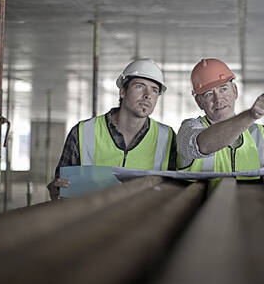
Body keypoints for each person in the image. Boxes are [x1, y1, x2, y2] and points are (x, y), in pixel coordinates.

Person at [47, 58, 176, 199]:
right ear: (122, 92)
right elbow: (61, 191)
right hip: (93, 218)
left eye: (154, 90)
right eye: (139, 86)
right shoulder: (83, 132)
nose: (147, 95)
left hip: (146, 218)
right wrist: (57, 190)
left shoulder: (167, 137)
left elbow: (174, 189)